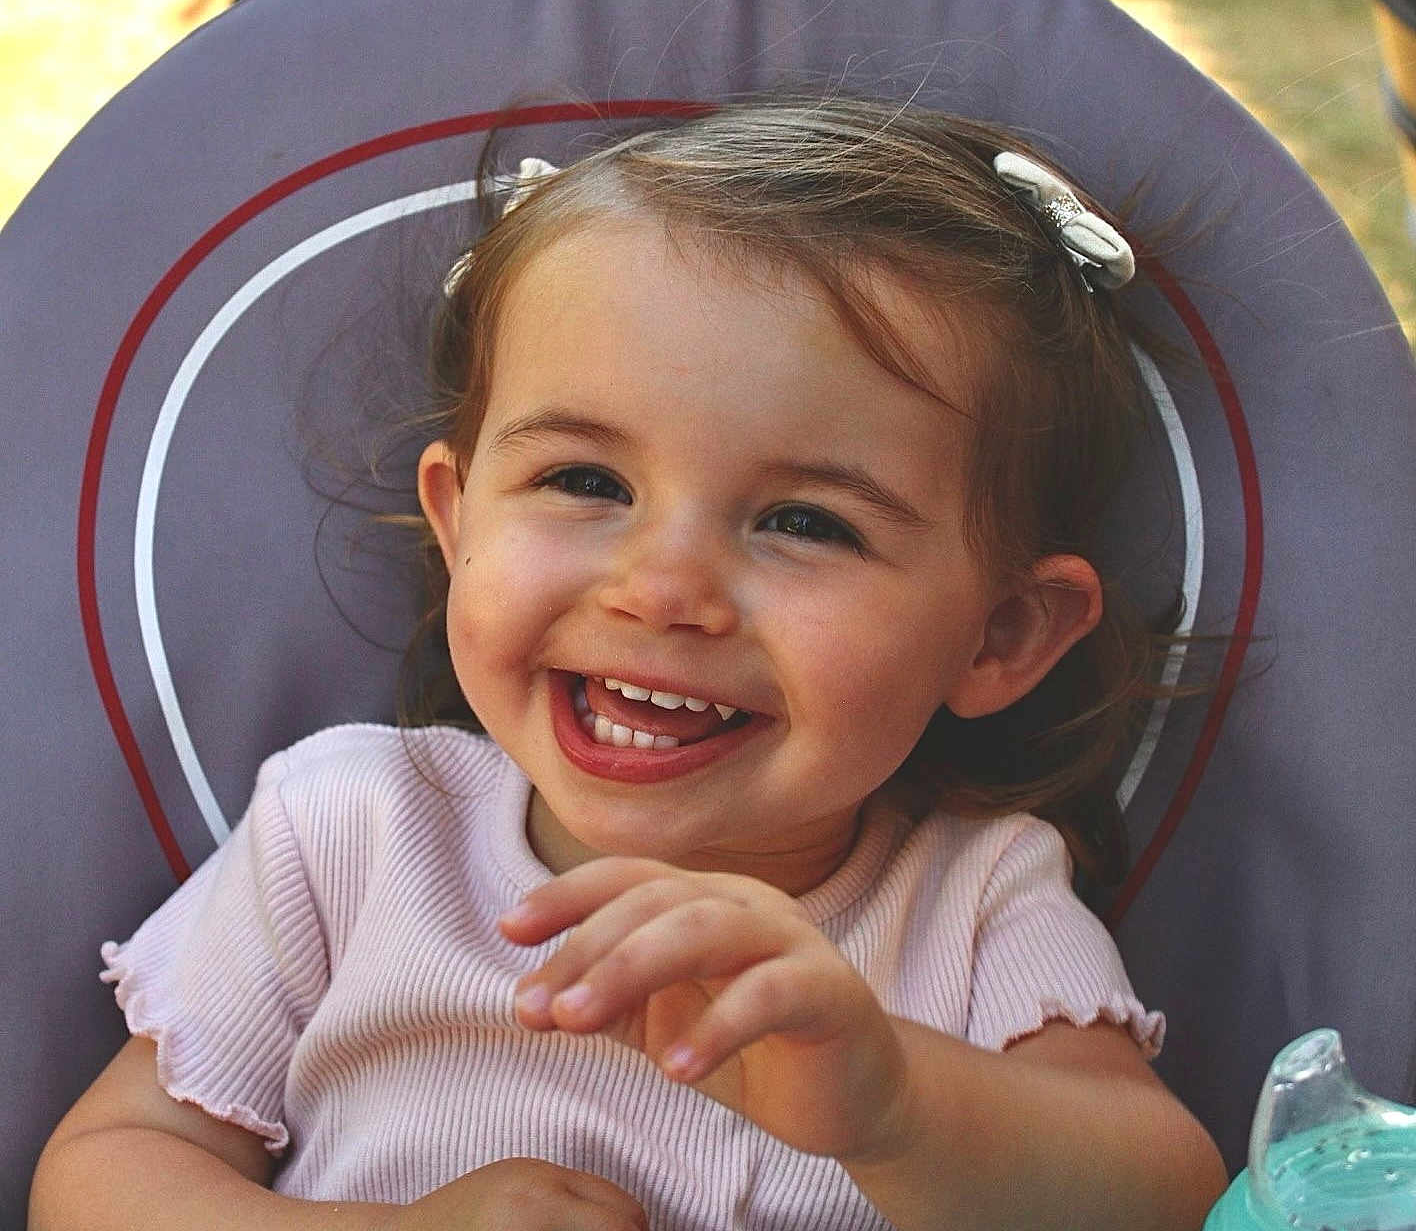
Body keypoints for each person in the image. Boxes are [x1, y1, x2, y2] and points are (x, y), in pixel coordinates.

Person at [30, 96, 1227, 1231]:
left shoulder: (970, 900)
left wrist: (894, 1103)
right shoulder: (345, 833)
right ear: (459, 525)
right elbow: (106, 1178)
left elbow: (1162, 1197)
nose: (662, 590)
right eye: (586, 483)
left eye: (806, 522)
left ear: (1000, 636)